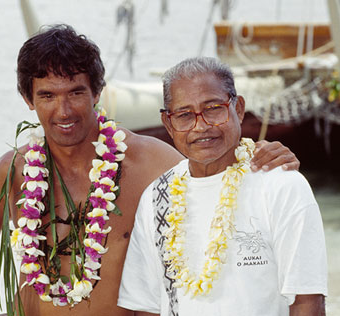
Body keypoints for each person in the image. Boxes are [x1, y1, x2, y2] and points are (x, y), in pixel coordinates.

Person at [0, 24, 300, 316]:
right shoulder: (14, 171)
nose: (63, 110)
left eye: (76, 92)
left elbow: (218, 184)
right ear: (28, 98)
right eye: (47, 95)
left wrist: (259, 156)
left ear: (97, 92)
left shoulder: (151, 163)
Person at [118, 57, 327, 316]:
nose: (202, 126)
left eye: (213, 108)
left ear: (238, 108)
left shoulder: (281, 184)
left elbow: (308, 302)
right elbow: (145, 307)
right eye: (184, 115)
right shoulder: (157, 198)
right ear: (168, 123)